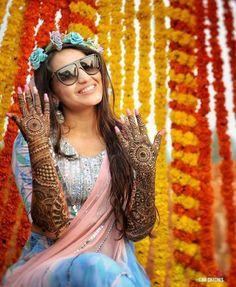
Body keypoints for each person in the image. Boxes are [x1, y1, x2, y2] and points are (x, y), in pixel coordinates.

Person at [3, 31, 164, 287]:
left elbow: (136, 231)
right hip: (51, 264)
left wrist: (145, 174)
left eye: (89, 65)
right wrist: (40, 149)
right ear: (52, 93)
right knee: (97, 267)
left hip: (117, 264)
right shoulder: (34, 139)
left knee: (106, 272)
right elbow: (51, 227)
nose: (85, 77)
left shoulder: (124, 140)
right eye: (67, 74)